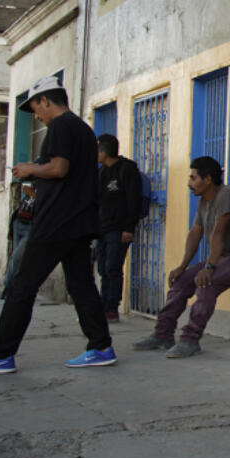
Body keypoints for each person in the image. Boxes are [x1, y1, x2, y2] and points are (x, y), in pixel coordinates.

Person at [0, 75, 114, 373]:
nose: (37, 116)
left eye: (36, 108)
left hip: (56, 222)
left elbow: (59, 168)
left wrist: (30, 168)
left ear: (46, 100)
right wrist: (37, 176)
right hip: (80, 221)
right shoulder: (83, 130)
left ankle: (0, 355)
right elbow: (67, 174)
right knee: (82, 285)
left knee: (23, 285)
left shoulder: (60, 126)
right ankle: (100, 347)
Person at [130, 156, 230, 359]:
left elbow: (219, 232)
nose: (189, 183)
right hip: (224, 257)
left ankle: (190, 340)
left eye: (193, 178)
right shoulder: (203, 202)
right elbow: (195, 233)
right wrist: (183, 266)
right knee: (181, 281)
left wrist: (209, 267)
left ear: (207, 179)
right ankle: (162, 334)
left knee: (206, 283)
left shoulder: (226, 195)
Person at [94, 134, 142, 323]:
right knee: (102, 268)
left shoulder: (127, 169)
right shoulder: (101, 172)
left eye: (97, 150)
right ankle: (103, 304)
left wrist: (129, 228)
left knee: (113, 267)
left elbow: (134, 200)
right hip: (102, 228)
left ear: (104, 151)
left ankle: (111, 307)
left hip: (119, 228)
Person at [2, 182, 34, 299]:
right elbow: (24, 189)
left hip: (32, 226)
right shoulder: (32, 177)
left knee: (17, 257)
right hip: (19, 221)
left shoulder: (48, 180)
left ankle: (9, 286)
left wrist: (33, 194)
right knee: (15, 257)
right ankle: (12, 288)